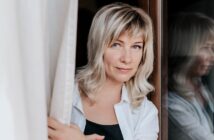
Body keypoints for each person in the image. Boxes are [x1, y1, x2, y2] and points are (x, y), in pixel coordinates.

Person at [48, 2, 159, 140]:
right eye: (116, 44)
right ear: (98, 46)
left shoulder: (145, 113)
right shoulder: (64, 94)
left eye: (136, 46)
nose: (127, 58)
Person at [168, 12, 214, 140]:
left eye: (213, 48)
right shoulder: (171, 103)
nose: (212, 56)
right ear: (186, 50)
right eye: (206, 48)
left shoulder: (200, 86)